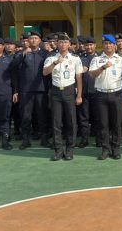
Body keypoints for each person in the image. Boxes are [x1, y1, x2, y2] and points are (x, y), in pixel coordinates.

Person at [42, 33, 83, 161]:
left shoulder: (75, 58)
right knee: (56, 122)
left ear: (69, 44)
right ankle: (58, 150)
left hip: (69, 90)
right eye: (60, 42)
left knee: (71, 121)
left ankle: (70, 149)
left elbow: (79, 78)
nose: (63, 44)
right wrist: (55, 63)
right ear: (57, 44)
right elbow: (45, 72)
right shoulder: (51, 58)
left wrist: (79, 95)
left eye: (65, 42)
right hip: (55, 92)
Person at [89, 34, 122, 160]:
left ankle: (116, 149)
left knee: (116, 124)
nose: (108, 46)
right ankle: (105, 149)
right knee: (103, 124)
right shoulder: (96, 59)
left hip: (116, 94)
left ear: (114, 45)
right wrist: (103, 67)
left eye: (110, 43)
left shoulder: (121, 59)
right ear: (103, 45)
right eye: (106, 43)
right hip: (101, 94)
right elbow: (92, 75)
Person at [13, 31, 50, 149]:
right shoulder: (21, 53)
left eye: (35, 38)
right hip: (26, 90)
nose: (33, 40)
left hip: (41, 89)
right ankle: (26, 140)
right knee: (26, 116)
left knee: (42, 116)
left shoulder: (45, 53)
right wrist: (23, 53)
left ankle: (44, 139)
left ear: (40, 41)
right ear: (27, 41)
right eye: (31, 38)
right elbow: (13, 66)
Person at [77, 36, 98, 148]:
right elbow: (76, 76)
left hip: (97, 92)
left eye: (91, 45)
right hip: (84, 92)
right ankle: (84, 139)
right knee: (83, 117)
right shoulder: (80, 58)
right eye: (87, 45)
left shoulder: (100, 57)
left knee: (98, 117)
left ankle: (99, 139)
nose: (89, 47)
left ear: (95, 45)